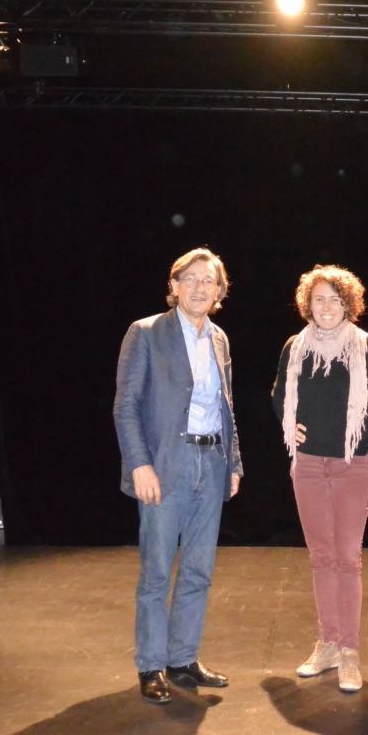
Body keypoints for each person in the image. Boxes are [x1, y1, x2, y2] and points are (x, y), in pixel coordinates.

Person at [113, 247, 243, 705]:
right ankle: (151, 665)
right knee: (156, 572)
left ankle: (183, 658)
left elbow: (226, 406)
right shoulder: (146, 332)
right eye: (191, 278)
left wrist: (234, 462)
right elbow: (126, 406)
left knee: (199, 570)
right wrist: (140, 464)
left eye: (209, 281)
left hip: (211, 462)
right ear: (174, 286)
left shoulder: (219, 338)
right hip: (166, 465)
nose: (200, 287)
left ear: (219, 291)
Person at [271, 265, 368, 693]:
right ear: (308, 303)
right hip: (307, 465)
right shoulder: (295, 347)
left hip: (352, 464)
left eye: (335, 300)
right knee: (321, 557)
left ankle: (349, 652)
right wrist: (292, 425)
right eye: (318, 299)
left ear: (348, 304)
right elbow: (279, 395)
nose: (326, 307)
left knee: (347, 558)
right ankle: (327, 645)